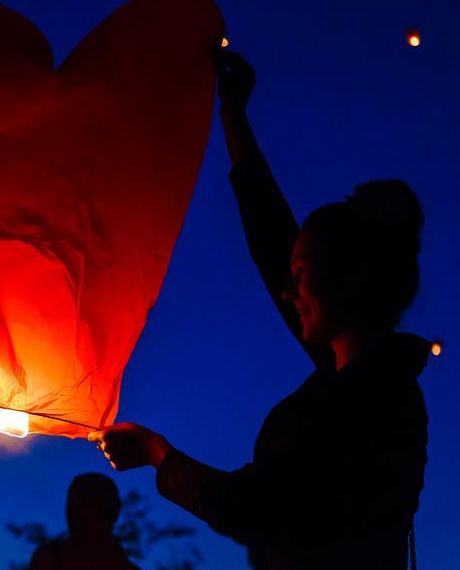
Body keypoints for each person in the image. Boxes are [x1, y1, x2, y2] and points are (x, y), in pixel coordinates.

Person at [89, 50, 430, 569]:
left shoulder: (376, 399)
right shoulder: (349, 382)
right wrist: (234, 118)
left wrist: (158, 456)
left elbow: (258, 507)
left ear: (353, 278)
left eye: (301, 275)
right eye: (289, 277)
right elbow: (273, 243)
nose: (288, 293)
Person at [28, 473, 139, 570]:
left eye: (81, 502)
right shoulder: (49, 558)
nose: (71, 510)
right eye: (72, 503)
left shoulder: (50, 557)